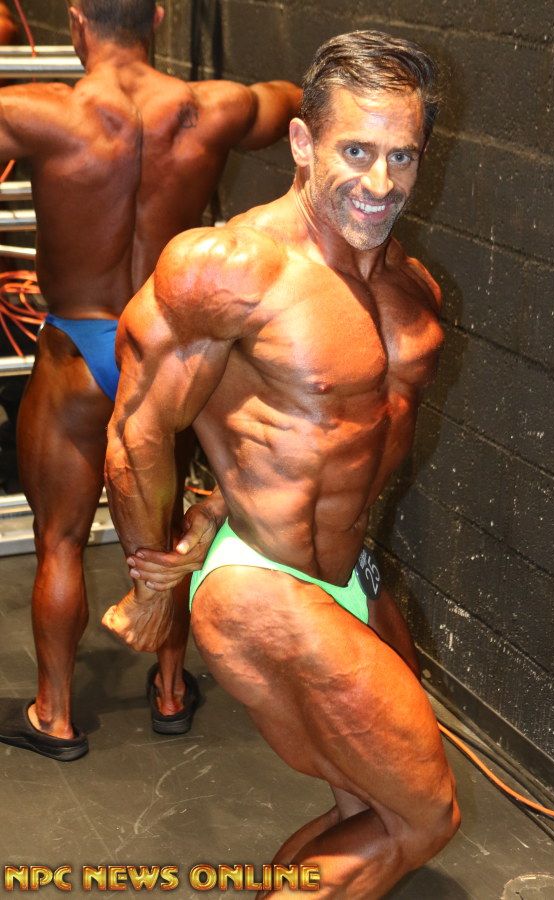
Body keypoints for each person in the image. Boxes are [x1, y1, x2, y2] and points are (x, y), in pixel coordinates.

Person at [103, 30, 459, 897]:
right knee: (426, 817)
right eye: (357, 152)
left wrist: (224, 499)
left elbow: (350, 443)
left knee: (368, 810)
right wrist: (152, 583)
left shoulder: (413, 289)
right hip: (260, 582)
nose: (381, 183)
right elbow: (137, 433)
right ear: (303, 142)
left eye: (403, 156)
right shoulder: (230, 267)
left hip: (348, 575)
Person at [0, 0, 300, 761]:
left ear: (76, 22)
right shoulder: (216, 108)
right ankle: (169, 692)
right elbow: (304, 104)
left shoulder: (39, 113)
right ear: (159, 18)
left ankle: (54, 715)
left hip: (77, 350)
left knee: (60, 539)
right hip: (169, 355)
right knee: (166, 534)